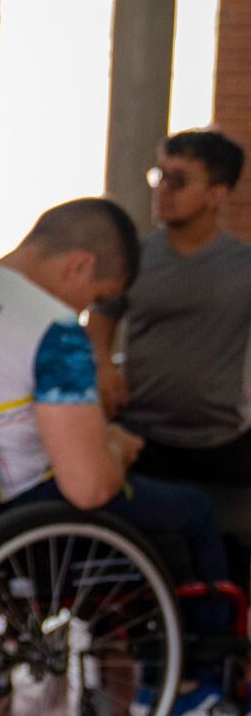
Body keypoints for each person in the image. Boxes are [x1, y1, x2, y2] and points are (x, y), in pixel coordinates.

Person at [0, 197, 233, 716]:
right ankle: (184, 689)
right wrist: (116, 445)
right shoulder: (53, 331)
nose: (89, 313)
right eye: (97, 299)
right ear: (80, 265)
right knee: (191, 511)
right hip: (19, 535)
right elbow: (89, 488)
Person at [90, 130, 251, 484]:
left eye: (178, 180)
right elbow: (101, 316)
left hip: (222, 443)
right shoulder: (134, 256)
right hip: (138, 435)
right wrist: (101, 362)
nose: (163, 189)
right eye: (160, 176)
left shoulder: (243, 265)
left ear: (217, 193)